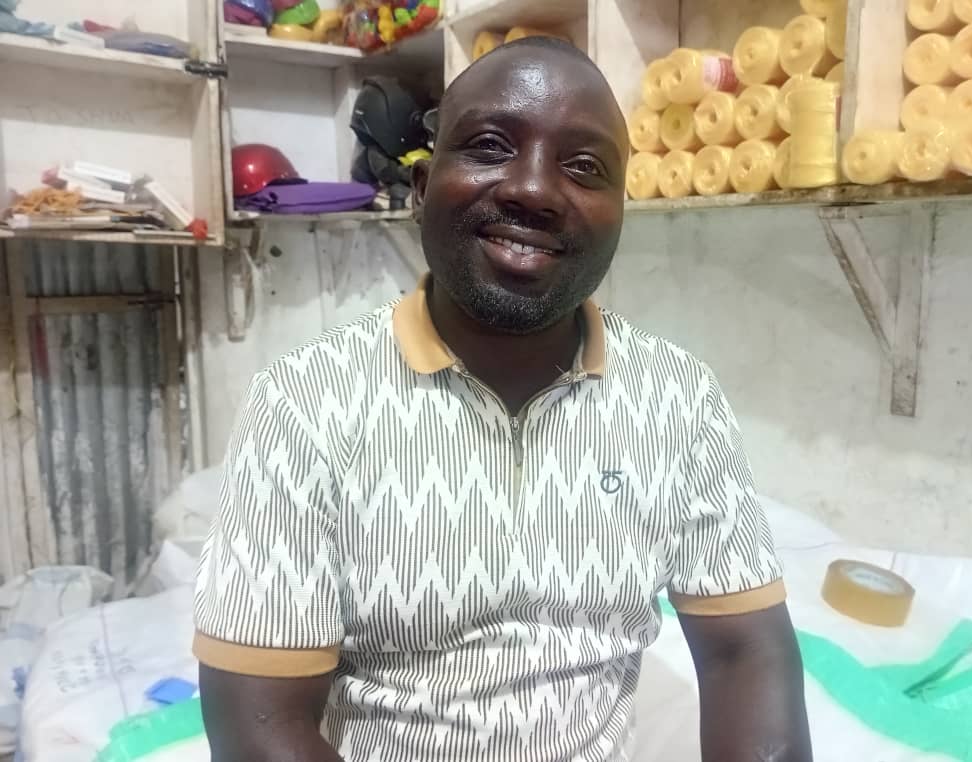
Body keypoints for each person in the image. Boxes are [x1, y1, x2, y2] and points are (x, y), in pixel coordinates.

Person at [193, 36, 812, 762]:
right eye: (490, 146)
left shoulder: (679, 399)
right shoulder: (306, 402)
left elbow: (747, 655)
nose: (534, 190)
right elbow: (259, 726)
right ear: (421, 189)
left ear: (620, 212)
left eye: (584, 166)